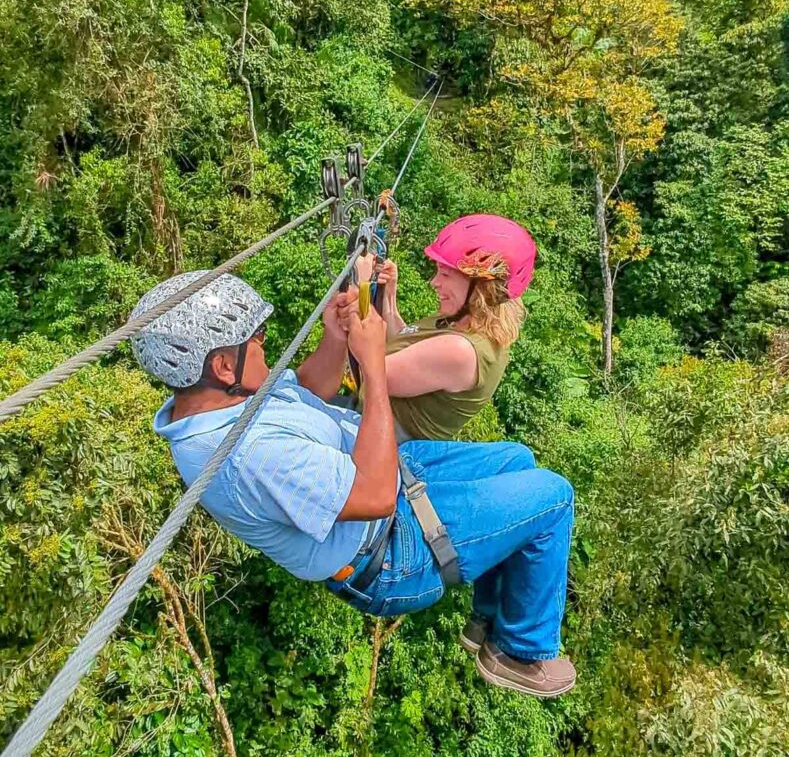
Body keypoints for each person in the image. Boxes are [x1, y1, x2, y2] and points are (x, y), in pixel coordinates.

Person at [129, 270, 576, 697]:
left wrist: (336, 339)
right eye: (257, 342)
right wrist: (372, 365)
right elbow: (375, 497)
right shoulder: (250, 454)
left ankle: (489, 619)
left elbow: (304, 390)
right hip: (392, 545)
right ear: (223, 365)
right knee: (553, 497)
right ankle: (518, 654)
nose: (266, 348)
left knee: (518, 460)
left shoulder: (212, 400)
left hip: (390, 470)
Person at [356, 214, 537, 442]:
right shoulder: (462, 319)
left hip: (377, 442)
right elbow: (407, 345)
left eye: (445, 274)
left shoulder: (462, 350)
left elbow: (370, 374)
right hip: (369, 425)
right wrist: (389, 296)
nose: (435, 282)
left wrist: (360, 288)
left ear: (482, 287)